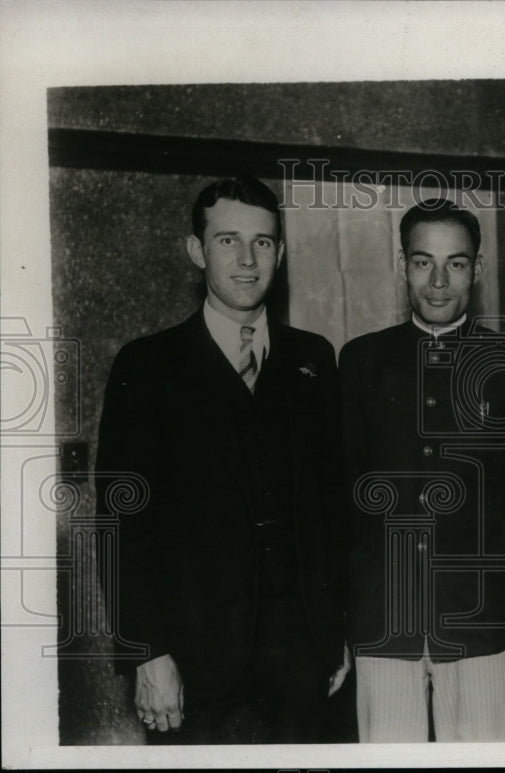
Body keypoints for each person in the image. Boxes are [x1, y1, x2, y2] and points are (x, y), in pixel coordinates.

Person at [95, 176, 349, 744]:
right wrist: (147, 653)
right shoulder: (147, 366)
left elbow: (329, 513)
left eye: (263, 242)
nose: (247, 259)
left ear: (280, 254)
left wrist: (336, 636)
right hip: (191, 662)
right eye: (228, 240)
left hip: (300, 659)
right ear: (196, 250)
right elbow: (120, 524)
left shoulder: (313, 360)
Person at [339, 199, 505, 742]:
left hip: (482, 621)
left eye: (457, 262)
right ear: (402, 267)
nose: (440, 280)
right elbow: (343, 500)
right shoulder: (359, 361)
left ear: (479, 268)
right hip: (383, 620)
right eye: (424, 262)